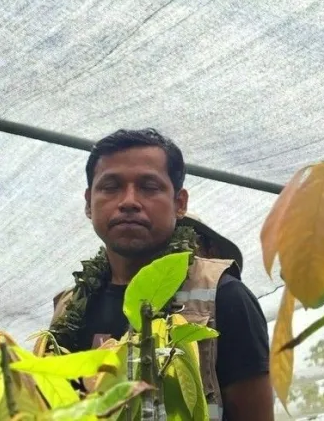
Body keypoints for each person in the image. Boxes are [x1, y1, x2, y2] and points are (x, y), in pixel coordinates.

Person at [44, 129, 273, 421]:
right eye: (110, 187)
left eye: (148, 187)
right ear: (89, 202)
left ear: (180, 203)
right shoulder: (67, 307)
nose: (128, 201)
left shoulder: (222, 296)